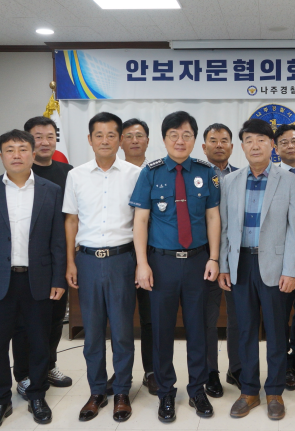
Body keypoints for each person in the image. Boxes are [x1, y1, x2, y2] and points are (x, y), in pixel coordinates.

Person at [0, 130, 66, 430]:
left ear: (33, 154)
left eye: (22, 149)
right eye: (10, 150)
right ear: (1, 156)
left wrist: (58, 278)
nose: (17, 155)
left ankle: (37, 395)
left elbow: (58, 240)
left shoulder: (50, 190)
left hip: (38, 279)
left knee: (38, 342)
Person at [130, 111, 219, 422]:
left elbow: (213, 217)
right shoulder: (151, 172)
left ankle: (197, 390)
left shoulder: (206, 172)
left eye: (186, 135)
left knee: (198, 330)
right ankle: (165, 392)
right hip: (161, 263)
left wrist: (214, 257)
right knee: (161, 329)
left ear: (195, 139)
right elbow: (140, 220)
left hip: (198, 262)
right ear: (164, 139)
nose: (180, 141)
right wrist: (142, 264)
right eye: (174, 135)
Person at [217, 118, 295, 421]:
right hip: (240, 264)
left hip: (275, 266)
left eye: (261, 140)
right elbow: (225, 228)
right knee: (245, 330)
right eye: (249, 140)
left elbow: (294, 229)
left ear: (272, 145)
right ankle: (249, 390)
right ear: (241, 146)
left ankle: (275, 391)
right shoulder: (230, 181)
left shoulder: (288, 180)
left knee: (277, 331)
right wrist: (224, 265)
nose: (255, 145)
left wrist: (290, 270)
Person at [63, 112, 141, 423]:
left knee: (122, 332)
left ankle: (121, 391)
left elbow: (141, 222)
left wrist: (141, 263)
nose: (105, 140)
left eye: (111, 135)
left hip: (123, 259)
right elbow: (71, 220)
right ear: (89, 139)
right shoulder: (76, 175)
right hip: (87, 260)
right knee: (93, 332)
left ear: (120, 140)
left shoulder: (135, 174)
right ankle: (97, 391)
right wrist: (71, 261)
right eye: (99, 135)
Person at [12, 116, 74, 400]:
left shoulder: (68, 172)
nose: (45, 142)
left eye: (50, 136)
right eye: (38, 136)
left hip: (57, 257)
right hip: (26, 260)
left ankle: (48, 365)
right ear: (27, 141)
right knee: (24, 322)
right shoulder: (20, 172)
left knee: (55, 317)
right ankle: (23, 374)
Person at [117, 118, 159, 395]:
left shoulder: (156, 172)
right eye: (129, 136)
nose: (134, 140)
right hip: (120, 252)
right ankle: (121, 374)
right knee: (119, 317)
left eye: (139, 135)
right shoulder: (112, 173)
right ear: (120, 141)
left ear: (147, 141)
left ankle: (151, 371)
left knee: (149, 316)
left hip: (151, 253)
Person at [201, 123, 241, 397]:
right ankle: (210, 372)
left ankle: (236, 369)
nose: (219, 145)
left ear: (232, 146)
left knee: (238, 317)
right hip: (207, 257)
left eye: (224, 140)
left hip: (237, 258)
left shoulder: (242, 176)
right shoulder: (196, 175)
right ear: (204, 147)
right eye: (213, 140)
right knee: (208, 317)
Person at [273, 123, 295, 389]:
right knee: (280, 317)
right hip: (281, 261)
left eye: (294, 141)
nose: (290, 146)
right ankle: (283, 367)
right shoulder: (273, 177)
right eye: (284, 142)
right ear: (276, 148)